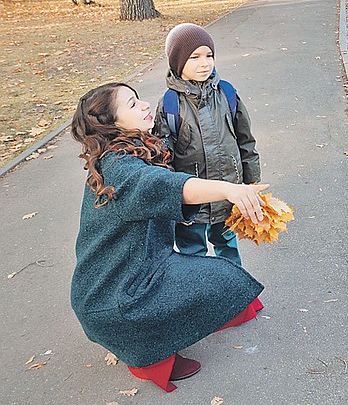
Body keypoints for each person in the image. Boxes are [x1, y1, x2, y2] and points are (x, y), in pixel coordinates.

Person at [70, 82, 267, 392]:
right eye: (133, 105)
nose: (146, 105)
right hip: (118, 295)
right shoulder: (120, 169)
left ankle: (165, 332)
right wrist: (230, 189)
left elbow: (169, 177)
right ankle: (148, 359)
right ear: (110, 124)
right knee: (221, 277)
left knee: (223, 276)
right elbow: (170, 186)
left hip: (133, 275)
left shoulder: (127, 151)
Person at [153, 23, 261, 266]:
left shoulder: (227, 93)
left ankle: (234, 293)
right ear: (177, 62)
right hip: (192, 201)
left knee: (228, 245)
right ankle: (199, 297)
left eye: (209, 55)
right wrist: (172, 200)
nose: (205, 63)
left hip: (228, 192)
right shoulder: (170, 104)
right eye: (194, 57)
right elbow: (162, 157)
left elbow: (246, 142)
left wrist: (251, 184)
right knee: (192, 251)